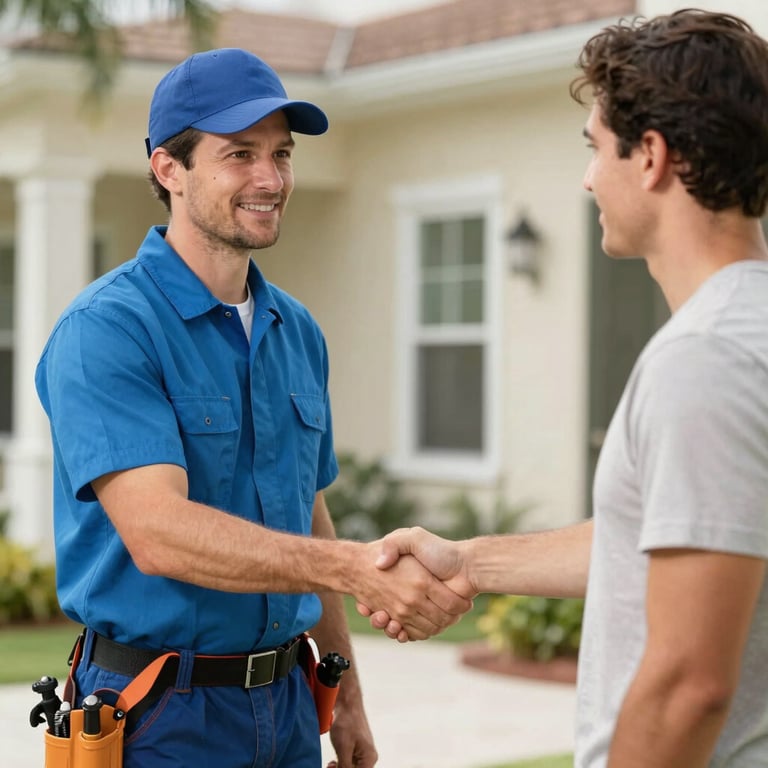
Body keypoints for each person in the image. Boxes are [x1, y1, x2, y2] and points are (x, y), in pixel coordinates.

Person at [34, 48, 470, 768]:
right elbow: (159, 533)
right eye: (239, 154)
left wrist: (348, 696)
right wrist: (355, 567)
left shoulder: (294, 329)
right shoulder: (106, 330)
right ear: (168, 168)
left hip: (290, 704)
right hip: (158, 716)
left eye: (281, 154)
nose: (270, 178)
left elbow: (309, 510)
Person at [361, 9, 768, 767]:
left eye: (594, 148)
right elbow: (658, 541)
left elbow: (688, 683)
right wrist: (471, 563)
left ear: (650, 156)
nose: (586, 179)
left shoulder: (706, 359)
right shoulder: (744, 333)